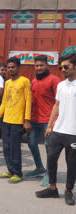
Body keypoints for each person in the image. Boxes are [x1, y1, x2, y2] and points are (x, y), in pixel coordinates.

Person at [36, 53, 76, 206]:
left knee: (72, 164)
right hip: (58, 130)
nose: (63, 69)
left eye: (66, 67)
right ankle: (52, 189)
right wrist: (50, 125)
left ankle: (68, 190)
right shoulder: (61, 84)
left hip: (73, 133)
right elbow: (57, 105)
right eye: (61, 67)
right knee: (51, 159)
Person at [0, 57, 32, 183]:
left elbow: (28, 101)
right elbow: (4, 102)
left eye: (12, 67)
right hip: (6, 119)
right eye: (8, 67)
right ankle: (10, 170)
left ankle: (18, 173)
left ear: (18, 68)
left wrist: (26, 120)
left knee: (15, 148)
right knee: (6, 147)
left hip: (17, 121)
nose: (10, 69)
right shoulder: (7, 83)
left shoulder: (25, 81)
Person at [25, 55, 60, 187]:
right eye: (37, 66)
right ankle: (39, 168)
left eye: (41, 65)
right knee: (32, 143)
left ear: (47, 66)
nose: (39, 68)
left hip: (48, 120)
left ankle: (49, 174)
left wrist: (54, 122)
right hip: (34, 119)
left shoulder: (54, 80)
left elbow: (59, 102)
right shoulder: (33, 81)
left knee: (49, 148)